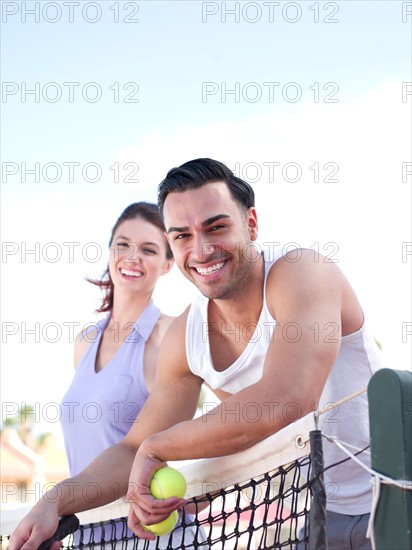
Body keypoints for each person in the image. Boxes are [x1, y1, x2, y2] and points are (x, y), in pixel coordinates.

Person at [10, 159, 386, 550]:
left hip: (388, 499)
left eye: (216, 227)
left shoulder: (303, 272)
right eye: (182, 236)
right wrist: (56, 500)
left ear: (251, 224)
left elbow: (285, 400)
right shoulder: (185, 336)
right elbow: (130, 448)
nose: (202, 250)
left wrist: (157, 448)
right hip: (306, 516)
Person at [59, 201, 175, 543]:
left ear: (168, 264)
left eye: (149, 249)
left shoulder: (170, 335)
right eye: (123, 244)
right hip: (86, 533)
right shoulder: (84, 341)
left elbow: (231, 409)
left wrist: (210, 481)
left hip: (153, 535)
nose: (131, 256)